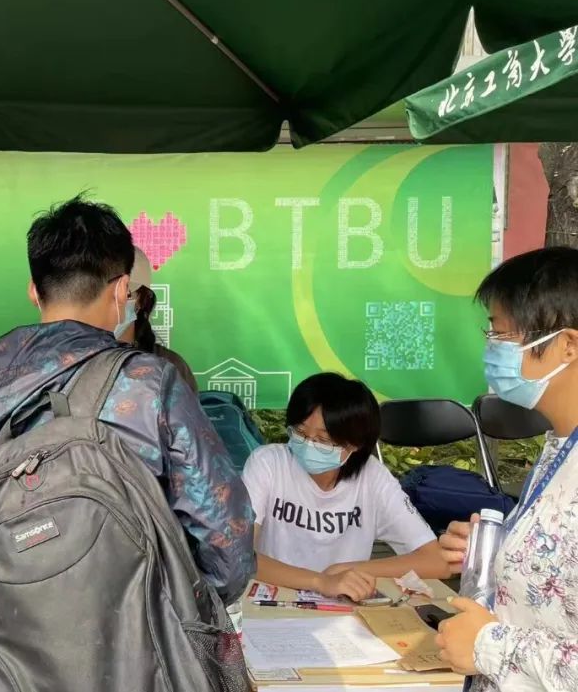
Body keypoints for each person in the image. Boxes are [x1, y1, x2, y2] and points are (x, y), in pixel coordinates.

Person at [0, 196, 255, 616]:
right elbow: (226, 544)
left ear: (33, 291)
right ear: (121, 290)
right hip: (130, 635)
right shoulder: (149, 386)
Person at [436, 248, 578, 692]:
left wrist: (489, 646)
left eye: (501, 334)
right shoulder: (560, 445)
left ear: (568, 345)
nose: (491, 347)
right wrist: (498, 550)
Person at [243, 373, 448, 601]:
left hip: (343, 606)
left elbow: (436, 561)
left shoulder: (372, 476)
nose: (308, 444)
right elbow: (240, 556)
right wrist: (321, 581)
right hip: (272, 600)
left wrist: (350, 570)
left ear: (355, 443)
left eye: (323, 439)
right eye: (300, 432)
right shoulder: (268, 464)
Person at [117, 246, 199, 392]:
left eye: (126, 294)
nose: (111, 304)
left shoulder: (170, 368)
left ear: (142, 300)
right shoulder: (77, 362)